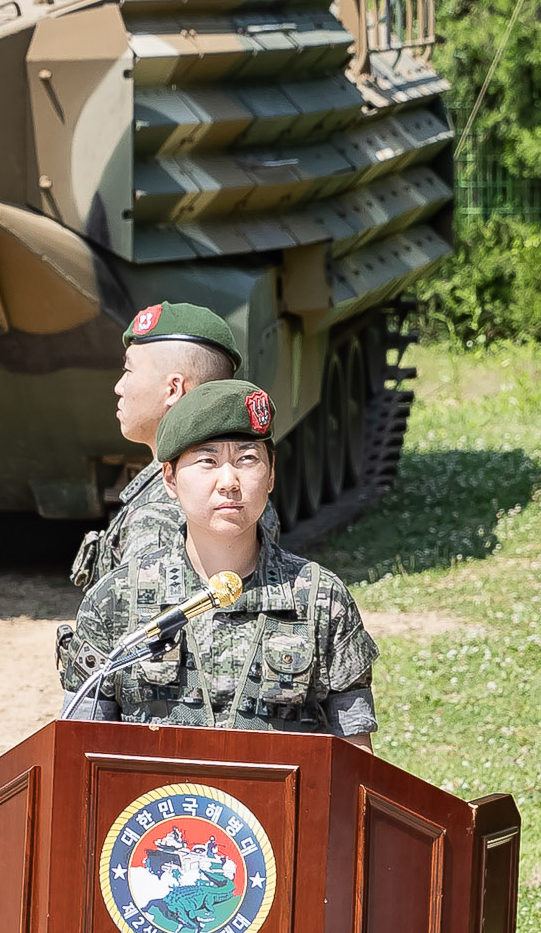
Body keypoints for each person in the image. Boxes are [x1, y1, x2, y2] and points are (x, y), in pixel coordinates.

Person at [58, 378, 379, 744]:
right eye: (207, 461)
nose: (229, 481)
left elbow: (356, 762)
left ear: (271, 473)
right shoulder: (116, 601)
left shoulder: (321, 599)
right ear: (170, 479)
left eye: (247, 459)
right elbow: (78, 751)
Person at [69, 300, 252, 591]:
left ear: (173, 389)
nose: (119, 387)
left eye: (128, 371)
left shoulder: (162, 511)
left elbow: (148, 629)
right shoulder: (244, 493)